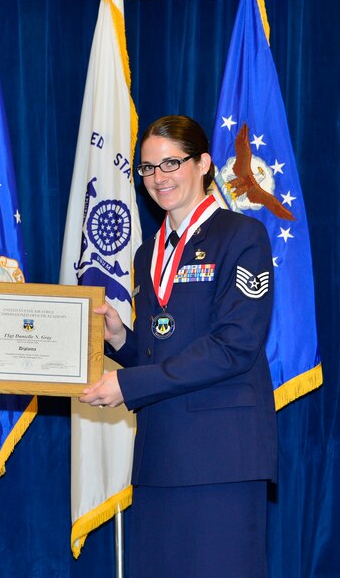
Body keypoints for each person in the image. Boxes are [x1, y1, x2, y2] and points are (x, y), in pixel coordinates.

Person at [80, 115, 277, 577]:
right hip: (159, 454)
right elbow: (160, 348)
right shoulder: (149, 252)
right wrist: (120, 339)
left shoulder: (242, 236)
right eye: (147, 168)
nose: (158, 178)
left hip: (221, 457)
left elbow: (235, 346)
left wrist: (129, 384)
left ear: (204, 163)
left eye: (172, 163)